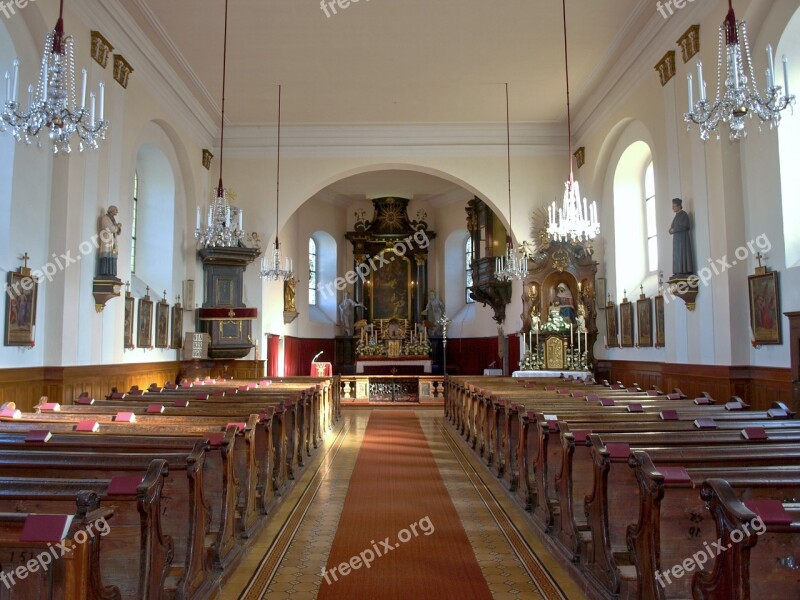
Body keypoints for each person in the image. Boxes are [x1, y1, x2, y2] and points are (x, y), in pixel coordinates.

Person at [669, 198, 695, 277]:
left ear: (679, 206)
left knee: (683, 253)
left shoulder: (684, 214)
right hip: (676, 240)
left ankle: (684, 270)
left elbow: (686, 226)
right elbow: (672, 227)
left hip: (683, 239)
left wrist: (674, 229)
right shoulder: (676, 216)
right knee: (677, 255)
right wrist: (670, 230)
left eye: (674, 206)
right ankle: (678, 270)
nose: (672, 208)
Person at [99, 206, 122, 277]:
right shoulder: (105, 218)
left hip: (113, 242)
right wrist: (117, 226)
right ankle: (105, 272)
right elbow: (110, 229)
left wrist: (118, 227)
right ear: (111, 210)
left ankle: (112, 272)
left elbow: (116, 232)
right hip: (107, 241)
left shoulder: (113, 219)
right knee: (106, 255)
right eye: (116, 210)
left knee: (113, 255)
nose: (117, 212)